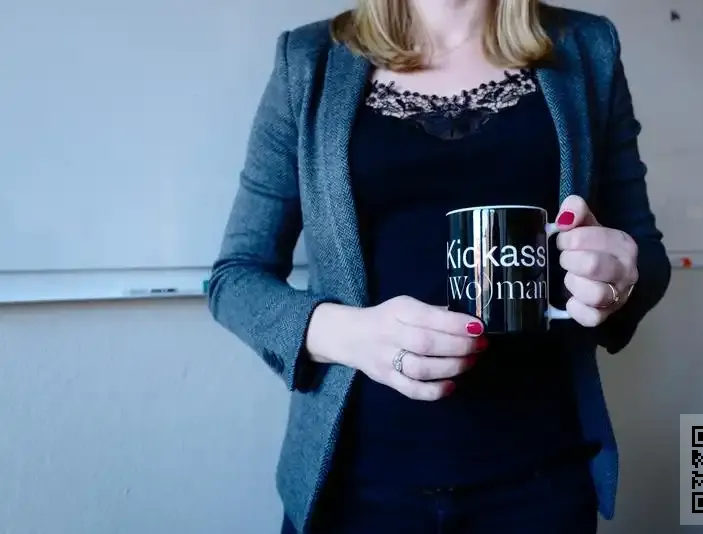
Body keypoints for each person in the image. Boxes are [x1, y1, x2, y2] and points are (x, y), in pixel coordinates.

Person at [207, 0, 671, 532]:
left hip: (542, 481)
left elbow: (644, 254)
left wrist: (618, 280)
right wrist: (349, 334)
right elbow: (235, 278)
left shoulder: (587, 46)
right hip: (354, 487)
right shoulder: (309, 60)